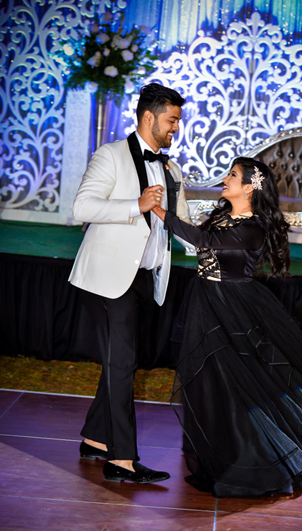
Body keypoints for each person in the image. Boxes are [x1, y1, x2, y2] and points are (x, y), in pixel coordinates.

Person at [149, 156, 302, 497]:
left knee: (249, 382)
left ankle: (260, 460)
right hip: (207, 303)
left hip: (236, 309)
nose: (225, 178)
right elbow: (200, 239)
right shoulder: (221, 216)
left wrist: (160, 212)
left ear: (249, 187)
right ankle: (222, 458)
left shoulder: (254, 227)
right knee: (209, 381)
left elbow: (202, 242)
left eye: (232, 175)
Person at [69, 83, 190, 484]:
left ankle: (95, 439)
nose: (176, 127)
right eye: (172, 119)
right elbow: (81, 207)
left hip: (144, 279)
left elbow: (184, 222)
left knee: (120, 362)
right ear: (148, 117)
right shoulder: (110, 155)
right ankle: (121, 460)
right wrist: (134, 206)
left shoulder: (171, 168)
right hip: (105, 278)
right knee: (121, 363)